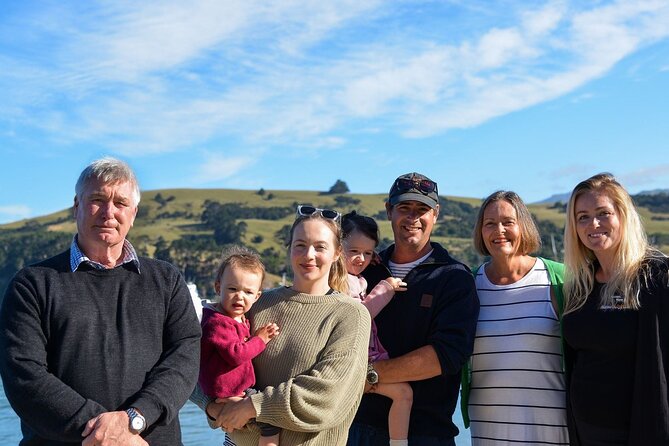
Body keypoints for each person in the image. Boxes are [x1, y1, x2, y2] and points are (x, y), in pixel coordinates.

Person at [0, 157, 201, 445]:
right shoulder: (32, 284)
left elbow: (185, 357)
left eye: (120, 203)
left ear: (133, 214)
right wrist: (106, 433)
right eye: (97, 199)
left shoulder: (166, 280)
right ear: (76, 206)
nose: (109, 212)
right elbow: (24, 375)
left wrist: (135, 417)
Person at [200, 205, 372, 446]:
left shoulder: (351, 315)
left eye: (320, 247)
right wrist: (211, 407)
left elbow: (327, 395)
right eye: (300, 245)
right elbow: (200, 358)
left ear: (336, 253)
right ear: (289, 248)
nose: (308, 255)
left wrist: (252, 407)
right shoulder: (255, 304)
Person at [347, 172, 480, 446]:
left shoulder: (454, 277)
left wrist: (367, 375)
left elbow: (447, 355)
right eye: (404, 208)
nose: (413, 218)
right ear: (388, 211)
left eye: (422, 210)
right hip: (353, 428)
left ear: (436, 214)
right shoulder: (363, 269)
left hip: (426, 435)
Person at [561, 173, 669, 445]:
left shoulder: (657, 277)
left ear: (623, 215)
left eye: (603, 213)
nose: (593, 224)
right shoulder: (580, 286)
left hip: (640, 432)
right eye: (582, 216)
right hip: (584, 431)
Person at [460, 191, 569, 445]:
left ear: (524, 226)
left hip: (551, 430)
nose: (499, 230)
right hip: (488, 431)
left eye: (508, 222)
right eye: (490, 224)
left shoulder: (559, 279)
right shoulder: (468, 286)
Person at [341, 211, 412, 446]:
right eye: (353, 251)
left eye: (368, 253)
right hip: (356, 360)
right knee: (403, 394)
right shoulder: (339, 280)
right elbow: (360, 316)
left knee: (403, 394)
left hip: (364, 359)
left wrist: (374, 260)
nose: (360, 259)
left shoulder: (354, 276)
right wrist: (386, 288)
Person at [199, 246, 281, 446]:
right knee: (269, 417)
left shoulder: (237, 318)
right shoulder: (217, 322)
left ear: (257, 296)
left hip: (234, 388)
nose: (239, 296)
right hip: (230, 389)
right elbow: (236, 354)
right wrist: (260, 339)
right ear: (218, 288)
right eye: (232, 289)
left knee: (238, 424)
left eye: (248, 292)